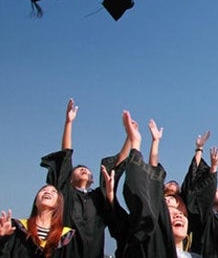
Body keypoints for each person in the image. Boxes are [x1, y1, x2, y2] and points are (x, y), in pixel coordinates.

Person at [39, 98, 109, 258]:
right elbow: (66, 157)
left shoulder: (98, 197)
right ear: (70, 177)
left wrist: (131, 139)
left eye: (86, 169)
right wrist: (68, 123)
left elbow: (117, 166)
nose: (83, 169)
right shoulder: (66, 194)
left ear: (92, 178)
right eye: (78, 169)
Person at [101, 112, 177, 258]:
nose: (176, 216)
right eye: (167, 203)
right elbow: (153, 183)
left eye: (177, 212)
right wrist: (152, 143)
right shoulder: (140, 233)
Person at [0, 185, 75, 258]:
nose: (47, 192)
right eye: (43, 190)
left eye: (53, 191)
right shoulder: (17, 228)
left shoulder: (66, 237)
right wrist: (2, 237)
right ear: (35, 202)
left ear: (59, 203)